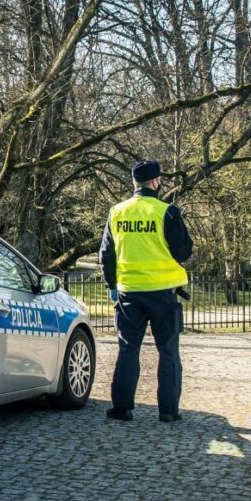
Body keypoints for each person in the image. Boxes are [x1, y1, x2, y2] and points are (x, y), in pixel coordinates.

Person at [99, 160, 193, 422]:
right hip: (163, 292)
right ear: (156, 182)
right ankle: (168, 411)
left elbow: (106, 254)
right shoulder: (168, 212)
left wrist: (112, 285)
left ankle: (121, 408)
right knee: (168, 351)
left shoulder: (117, 212)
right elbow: (183, 252)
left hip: (129, 292)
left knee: (128, 348)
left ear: (134, 183)